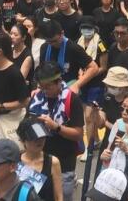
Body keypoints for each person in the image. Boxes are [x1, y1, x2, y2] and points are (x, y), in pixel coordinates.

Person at [27, 62, 84, 201]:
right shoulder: (37, 98)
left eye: (48, 87)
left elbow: (78, 134)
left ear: (59, 81)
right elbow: (26, 124)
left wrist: (56, 127)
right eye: (42, 87)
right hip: (39, 161)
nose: (45, 91)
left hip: (64, 162)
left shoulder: (72, 100)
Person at [16, 116, 63, 201]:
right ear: (23, 140)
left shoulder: (53, 162)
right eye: (34, 138)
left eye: (42, 136)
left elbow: (58, 196)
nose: (40, 140)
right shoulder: (15, 160)